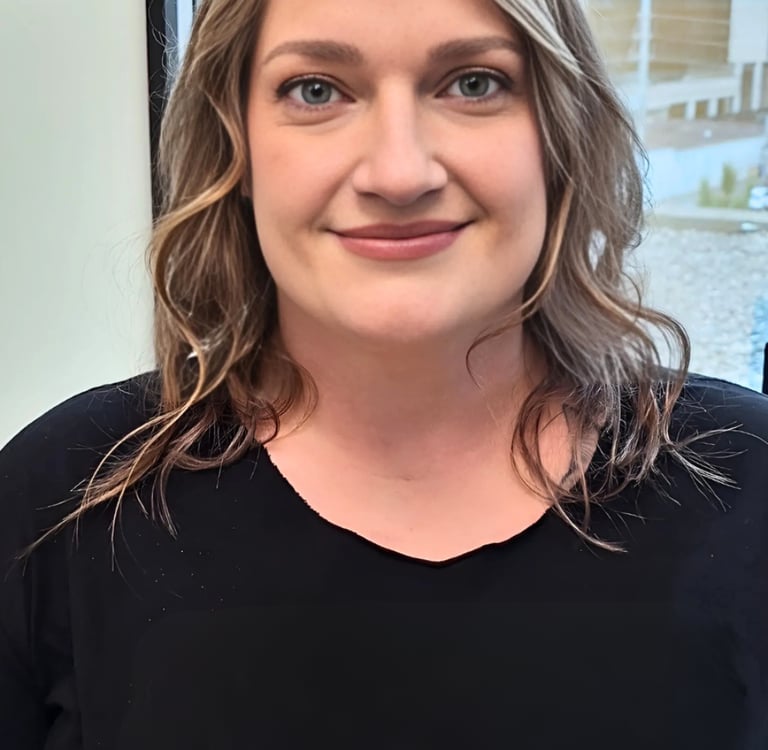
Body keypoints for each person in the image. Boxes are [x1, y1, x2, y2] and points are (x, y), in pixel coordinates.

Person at [1, 0, 766, 747]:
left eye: (473, 83)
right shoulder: (60, 504)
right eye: (316, 90)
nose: (399, 173)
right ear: (233, 142)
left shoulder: (747, 488)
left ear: (560, 129)